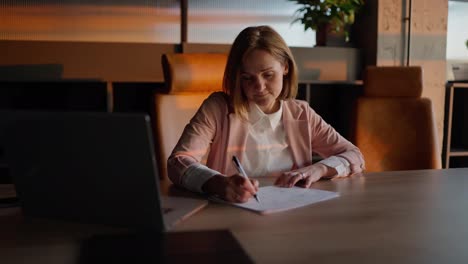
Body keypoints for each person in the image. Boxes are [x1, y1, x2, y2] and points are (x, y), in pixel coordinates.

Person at [167, 25, 365, 203]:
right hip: (232, 214)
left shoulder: (301, 113)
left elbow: (354, 155)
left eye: (268, 74)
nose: (259, 87)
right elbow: (178, 162)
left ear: (285, 67)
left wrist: (317, 169)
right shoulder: (218, 108)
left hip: (292, 214)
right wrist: (219, 183)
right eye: (247, 78)